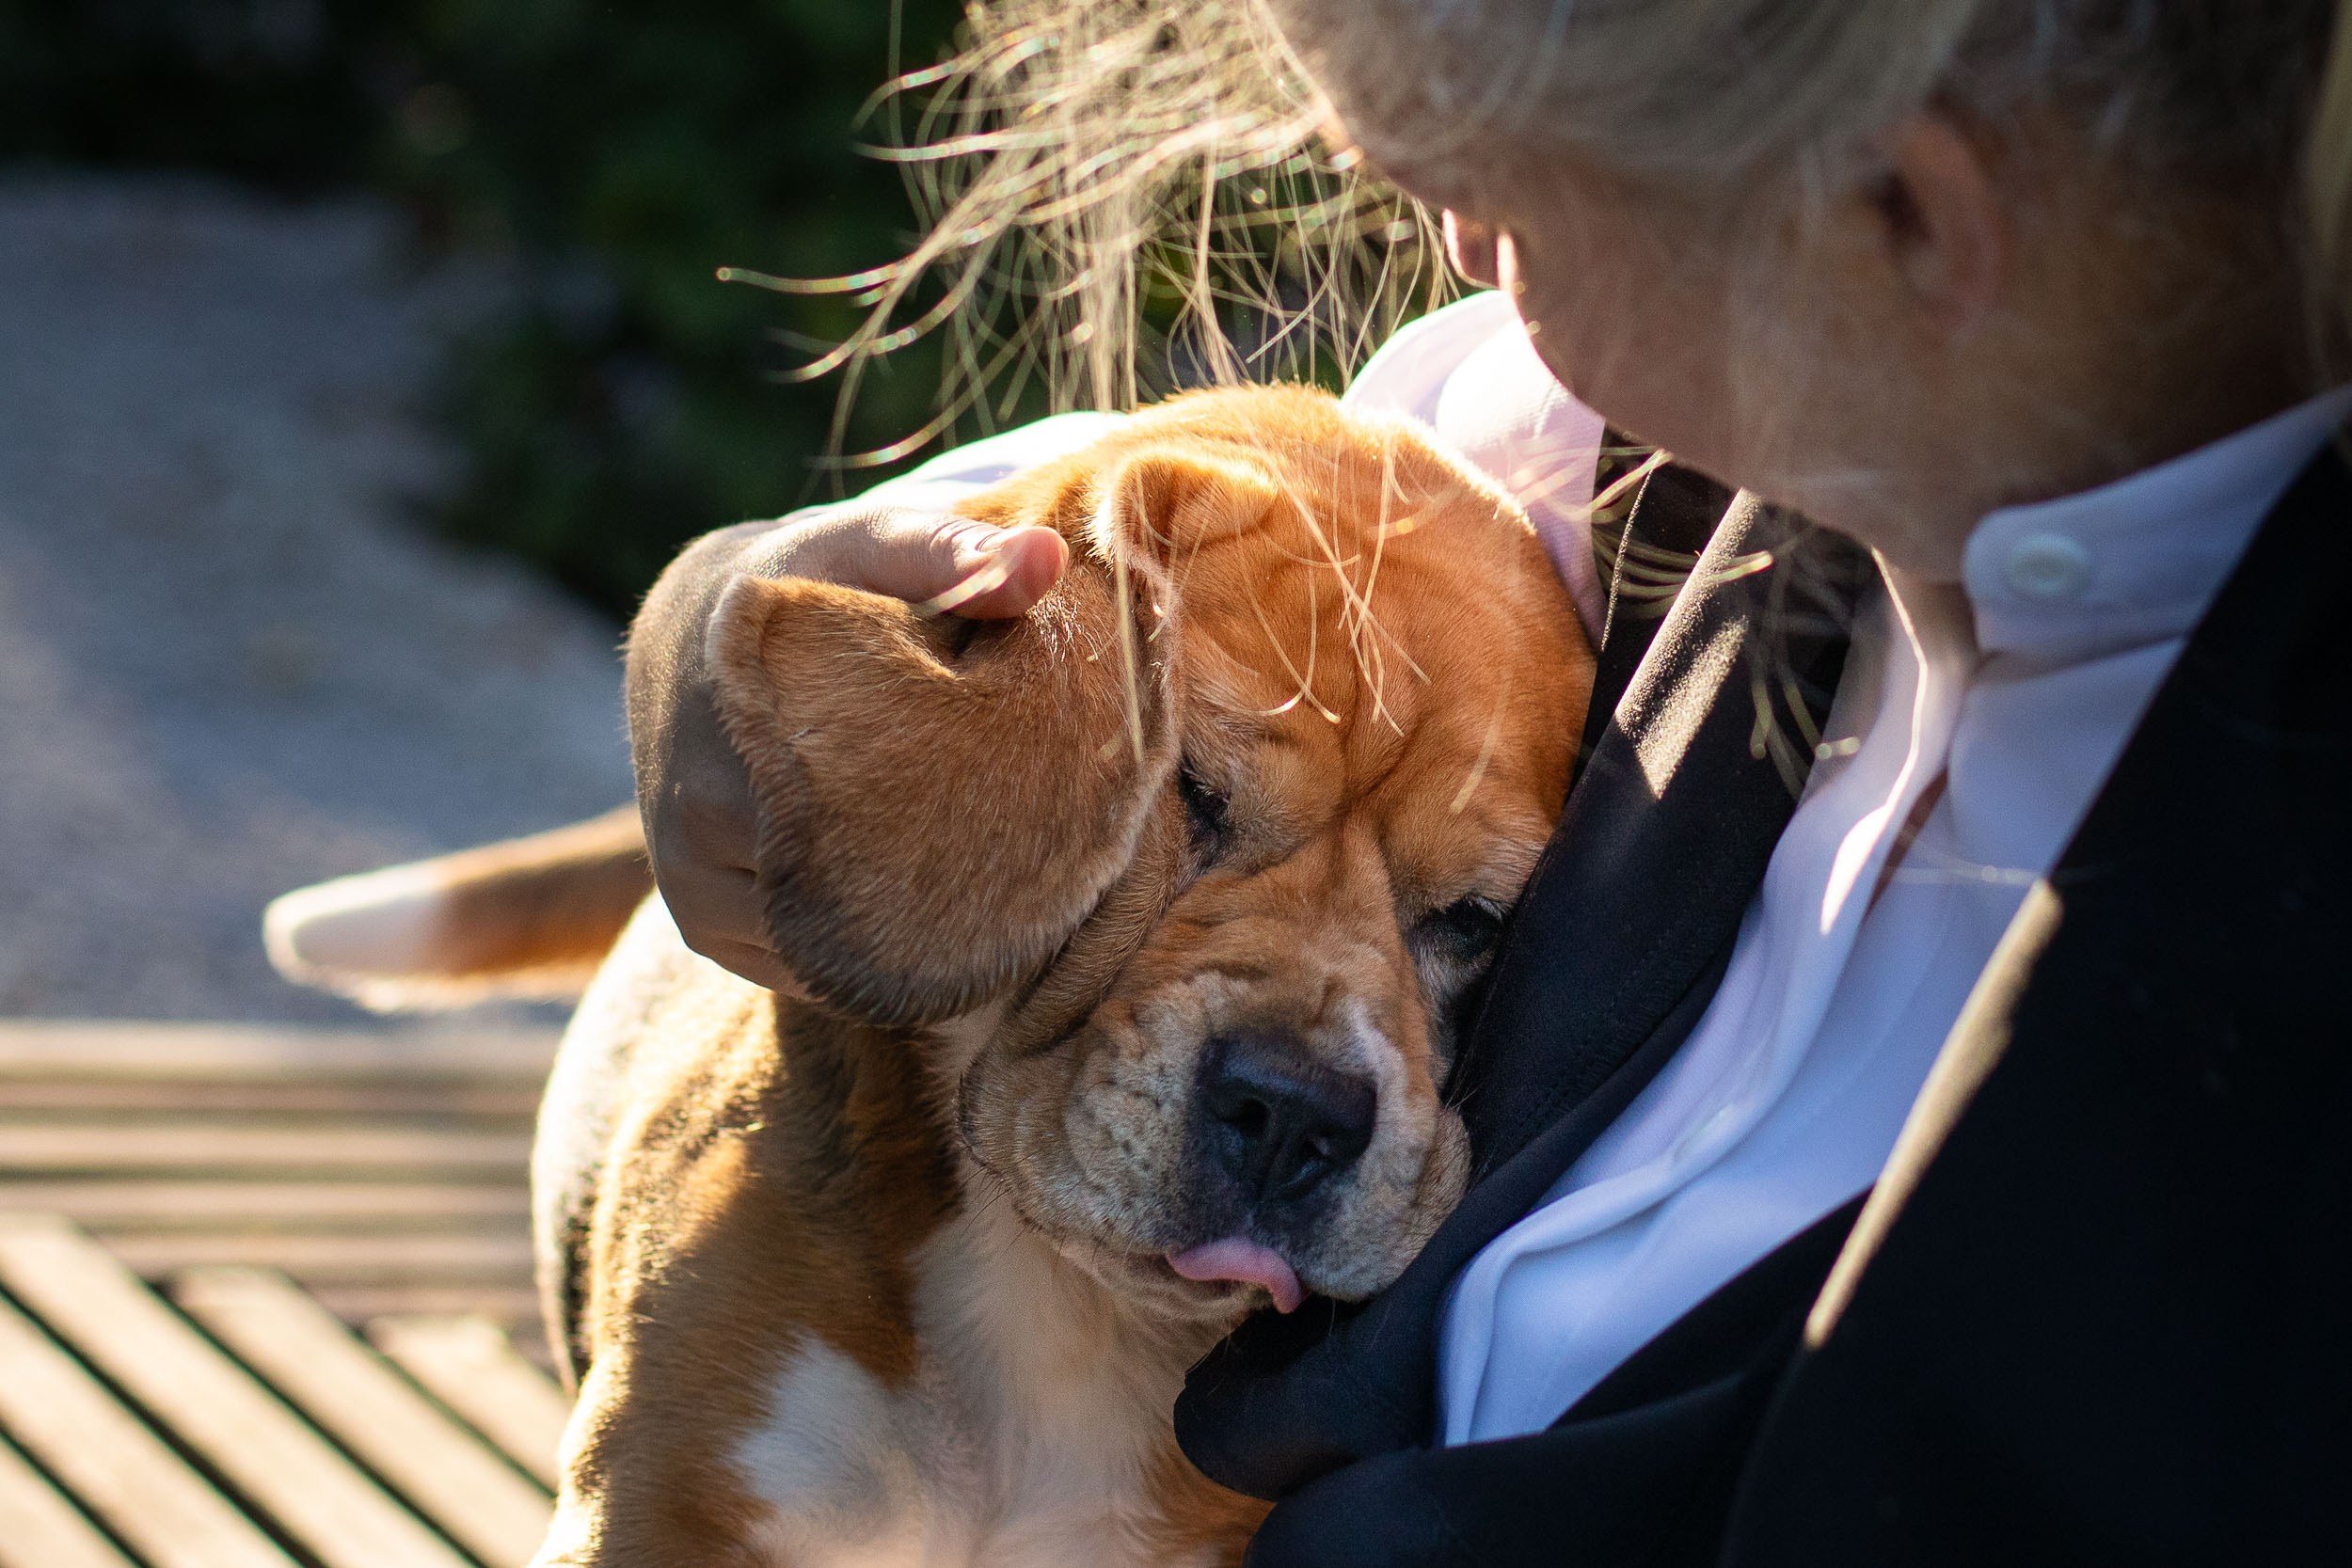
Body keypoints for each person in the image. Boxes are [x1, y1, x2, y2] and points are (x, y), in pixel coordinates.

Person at [622, 1, 2352, 1560]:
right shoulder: (1613, 442)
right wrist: (714, 654)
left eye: (1507, 194)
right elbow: (1005, 548)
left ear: (1898, 210)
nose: (1454, 249)